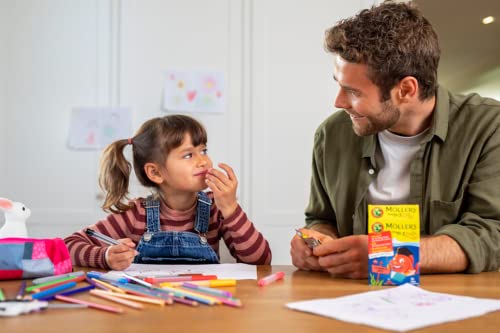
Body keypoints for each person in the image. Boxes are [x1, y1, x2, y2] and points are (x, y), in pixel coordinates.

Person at [290, 1, 500, 278]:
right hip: (350, 300)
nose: (339, 102)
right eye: (339, 85)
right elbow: (322, 218)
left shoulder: (488, 127)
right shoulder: (331, 135)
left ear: (406, 89)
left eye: (353, 91)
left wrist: (389, 255)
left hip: (454, 300)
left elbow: (492, 233)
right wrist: (313, 240)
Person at [65, 114, 272, 270]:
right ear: (155, 172)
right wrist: (105, 256)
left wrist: (231, 208)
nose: (203, 160)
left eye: (204, 150)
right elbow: (69, 246)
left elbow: (260, 260)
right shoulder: (137, 214)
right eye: (189, 155)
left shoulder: (216, 208)